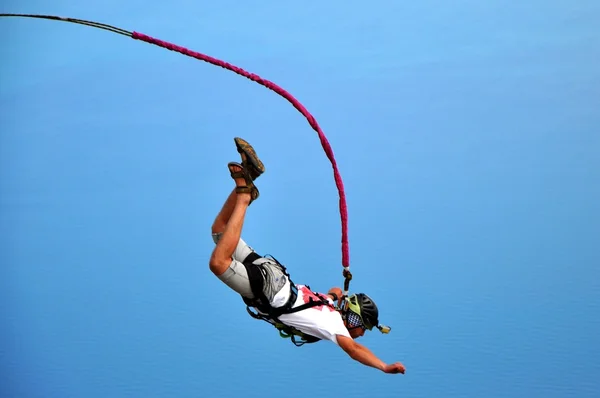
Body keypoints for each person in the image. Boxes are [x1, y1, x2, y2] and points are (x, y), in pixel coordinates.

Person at [208, 137, 406, 375]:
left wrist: (340, 293)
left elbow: (335, 290)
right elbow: (353, 350)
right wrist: (383, 366)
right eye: (363, 326)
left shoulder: (329, 304)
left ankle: (251, 176)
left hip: (276, 275)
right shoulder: (333, 324)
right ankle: (244, 195)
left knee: (220, 230)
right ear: (353, 319)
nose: (362, 333)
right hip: (271, 290)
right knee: (218, 263)